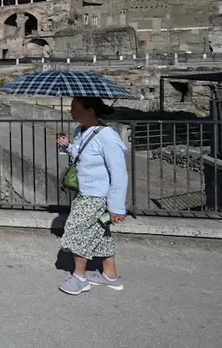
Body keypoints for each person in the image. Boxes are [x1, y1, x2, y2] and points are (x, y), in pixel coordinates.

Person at [56, 97, 129, 295]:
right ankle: (110, 276)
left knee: (77, 231)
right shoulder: (80, 131)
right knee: (100, 234)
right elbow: (79, 155)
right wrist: (67, 146)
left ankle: (79, 278)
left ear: (89, 111)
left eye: (74, 107)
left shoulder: (108, 137)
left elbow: (119, 174)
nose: (71, 111)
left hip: (97, 197)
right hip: (86, 192)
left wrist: (117, 208)